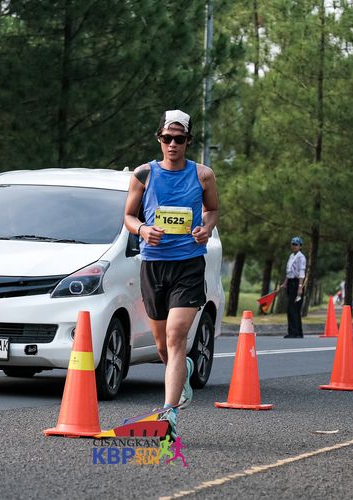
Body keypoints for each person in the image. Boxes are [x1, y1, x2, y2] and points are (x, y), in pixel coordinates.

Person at [123, 109, 219, 440]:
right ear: (159, 139)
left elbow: (212, 210)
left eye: (179, 139)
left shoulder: (203, 175)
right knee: (163, 345)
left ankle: (168, 416)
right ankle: (183, 372)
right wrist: (142, 230)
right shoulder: (143, 174)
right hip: (153, 265)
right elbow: (128, 216)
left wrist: (206, 228)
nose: (173, 144)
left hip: (188, 264)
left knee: (177, 337)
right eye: (167, 138)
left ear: (188, 141)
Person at [281, 236, 306, 338]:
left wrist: (300, 287)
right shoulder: (291, 256)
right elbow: (289, 272)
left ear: (300, 246)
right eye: (293, 244)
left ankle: (296, 332)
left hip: (297, 283)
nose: (294, 246)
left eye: (296, 244)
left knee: (294, 308)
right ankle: (293, 331)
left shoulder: (301, 257)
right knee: (290, 308)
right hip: (290, 282)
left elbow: (301, 272)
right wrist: (285, 283)